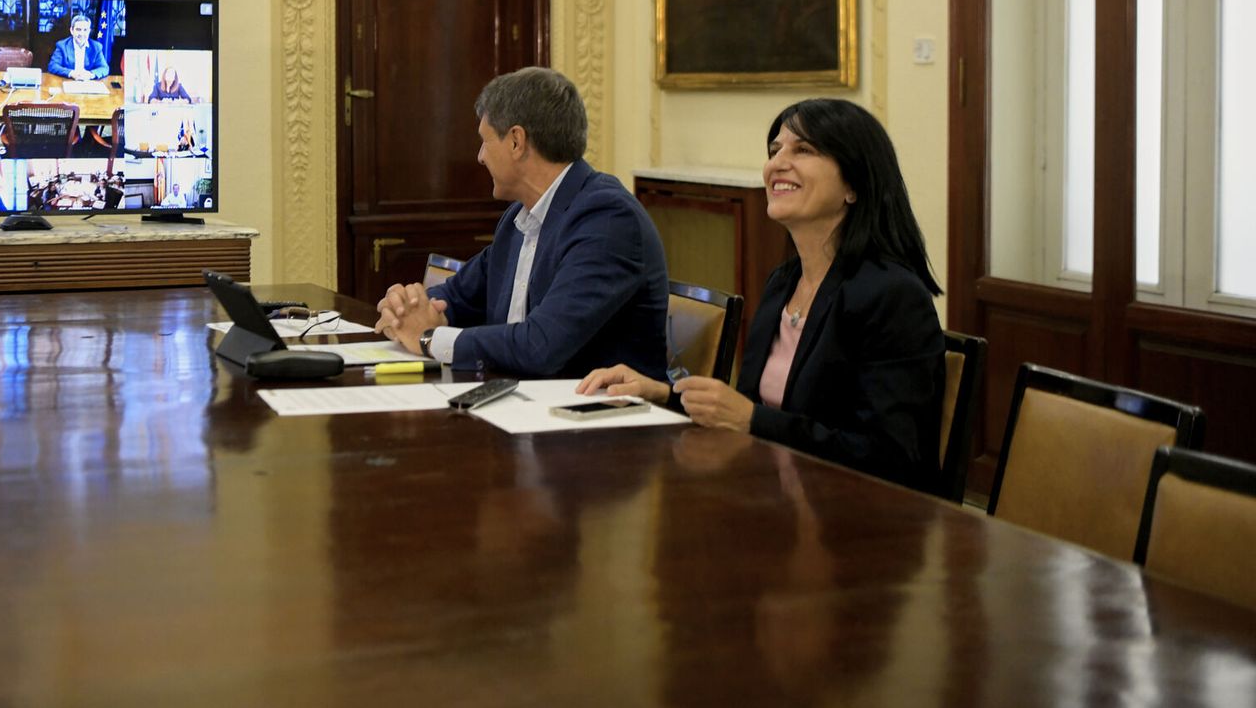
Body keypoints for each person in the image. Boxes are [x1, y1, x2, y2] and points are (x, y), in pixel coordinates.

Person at [579, 98, 944, 492]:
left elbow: (890, 458)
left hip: (857, 526)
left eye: (803, 149)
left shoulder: (892, 295)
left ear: (853, 185)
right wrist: (660, 395)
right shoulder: (783, 282)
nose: (776, 164)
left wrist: (752, 420)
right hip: (775, 498)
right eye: (775, 151)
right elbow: (744, 412)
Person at [376, 67, 669, 380]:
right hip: (522, 403)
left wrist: (428, 338)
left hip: (602, 417)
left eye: (485, 142)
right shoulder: (519, 219)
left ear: (516, 141)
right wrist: (405, 310)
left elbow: (541, 346)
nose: (480, 157)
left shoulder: (607, 220)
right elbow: (454, 299)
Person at [47, 14, 108, 80]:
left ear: (89, 31)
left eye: (85, 30)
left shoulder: (96, 47)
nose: (82, 34)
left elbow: (104, 68)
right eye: (78, 30)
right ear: (72, 30)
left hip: (88, 84)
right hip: (68, 82)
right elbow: (53, 66)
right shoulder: (62, 46)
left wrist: (90, 74)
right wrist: (71, 73)